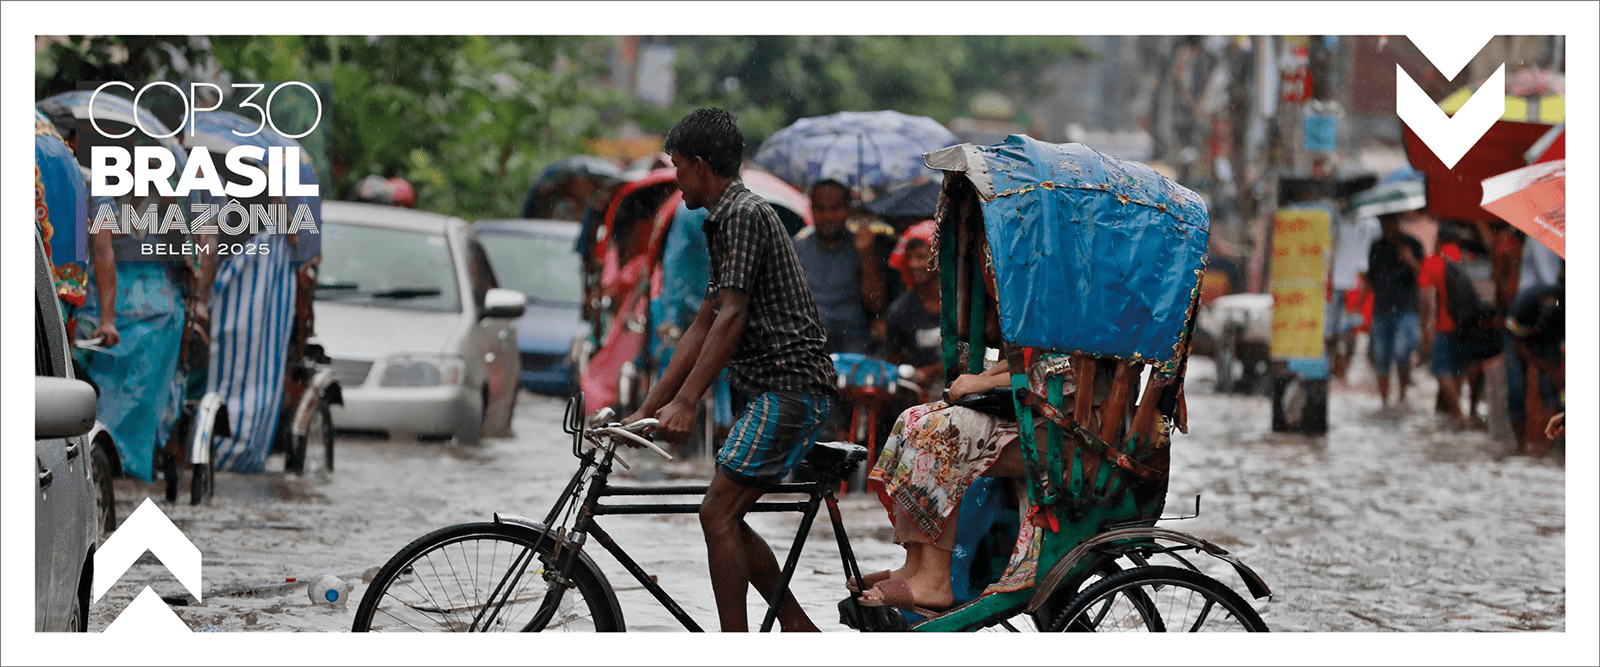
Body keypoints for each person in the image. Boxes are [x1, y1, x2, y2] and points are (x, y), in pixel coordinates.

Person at [622, 108, 837, 632]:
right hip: (768, 389)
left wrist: (687, 401)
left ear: (699, 165)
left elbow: (733, 315)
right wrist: (646, 410)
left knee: (715, 513)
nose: (675, 180)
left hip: (789, 387)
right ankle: (798, 627)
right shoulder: (723, 217)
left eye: (677, 168)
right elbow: (702, 325)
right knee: (726, 515)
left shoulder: (741, 213)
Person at [791, 179, 889, 354]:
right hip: (809, 339)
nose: (827, 215)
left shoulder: (863, 245)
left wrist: (866, 255)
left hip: (854, 338)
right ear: (811, 210)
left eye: (835, 208)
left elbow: (877, 305)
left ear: (847, 209)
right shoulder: (797, 249)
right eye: (820, 208)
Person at [1358, 211, 1425, 407]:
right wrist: (1358, 308)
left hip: (1406, 309)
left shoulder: (1412, 244)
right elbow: (1369, 280)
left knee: (1402, 352)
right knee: (1381, 357)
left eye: (1390, 222)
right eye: (1383, 222)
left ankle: (1402, 396)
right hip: (1381, 310)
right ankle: (1385, 402)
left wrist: (1410, 259)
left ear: (1397, 222)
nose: (1387, 226)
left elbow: (1423, 275)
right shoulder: (1376, 247)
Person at [882, 220, 943, 396]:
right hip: (918, 398)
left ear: (938, 259)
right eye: (909, 258)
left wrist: (932, 371)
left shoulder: (959, 305)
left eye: (921, 257)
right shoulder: (900, 311)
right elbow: (893, 362)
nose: (914, 264)